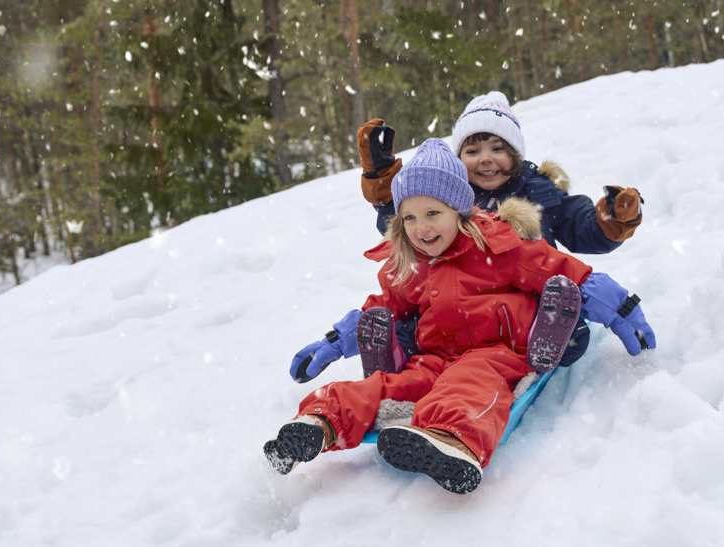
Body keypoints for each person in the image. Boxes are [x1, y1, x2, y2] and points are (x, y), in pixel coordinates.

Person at [267, 138, 657, 494]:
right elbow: (383, 306)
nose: (421, 228)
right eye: (409, 218)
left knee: (471, 382)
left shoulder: (500, 245)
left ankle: (453, 438)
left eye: (433, 213)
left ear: (459, 210)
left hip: (498, 350)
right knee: (388, 386)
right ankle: (319, 422)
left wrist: (619, 308)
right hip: (435, 356)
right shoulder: (413, 263)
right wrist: (334, 342)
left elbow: (565, 270)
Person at [354, 91, 647, 368]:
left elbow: (580, 228)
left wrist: (612, 219)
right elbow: (404, 222)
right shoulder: (447, 197)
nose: (485, 158)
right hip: (455, 301)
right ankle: (396, 354)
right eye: (472, 150)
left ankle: (544, 341)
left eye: (498, 149)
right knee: (416, 320)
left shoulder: (538, 191)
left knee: (570, 331)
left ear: (516, 155)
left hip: (522, 300)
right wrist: (381, 178)